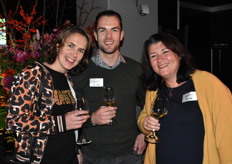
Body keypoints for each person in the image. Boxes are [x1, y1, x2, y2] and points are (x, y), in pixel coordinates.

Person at [137, 32, 232, 164]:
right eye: (153, 56)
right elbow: (145, 116)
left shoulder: (208, 83)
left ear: (179, 54)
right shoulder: (153, 90)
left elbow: (228, 135)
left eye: (165, 51)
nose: (160, 59)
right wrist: (144, 124)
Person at [5, 25, 92, 163]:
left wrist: (76, 150)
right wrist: (61, 122)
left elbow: (70, 126)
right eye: (70, 46)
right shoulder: (33, 73)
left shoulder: (68, 80)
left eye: (80, 50)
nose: (74, 54)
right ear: (58, 45)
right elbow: (14, 121)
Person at [72, 10, 147, 164]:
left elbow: (149, 104)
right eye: (102, 30)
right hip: (92, 155)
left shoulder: (136, 70)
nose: (108, 37)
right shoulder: (80, 71)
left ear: (121, 35)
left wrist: (144, 133)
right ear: (95, 35)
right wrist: (92, 119)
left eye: (114, 30)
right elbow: (69, 113)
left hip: (131, 155)